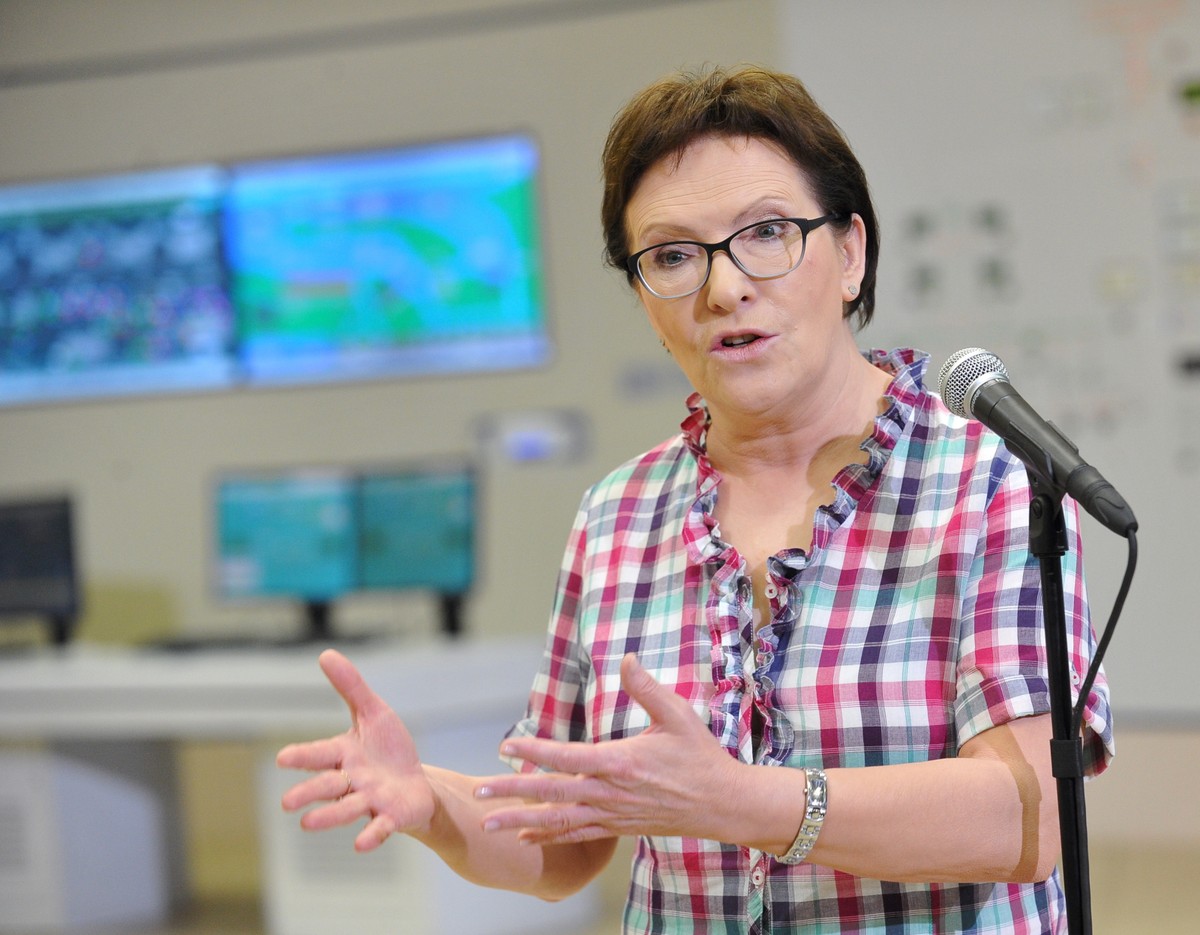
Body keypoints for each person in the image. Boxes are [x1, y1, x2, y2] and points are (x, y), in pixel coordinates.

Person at [277, 64, 1113, 933]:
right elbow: (564, 845)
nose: (723, 288)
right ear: (644, 297)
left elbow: (1025, 820)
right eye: (673, 256)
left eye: (767, 233)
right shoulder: (617, 515)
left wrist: (741, 800)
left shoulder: (989, 482)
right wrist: (432, 800)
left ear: (851, 253)